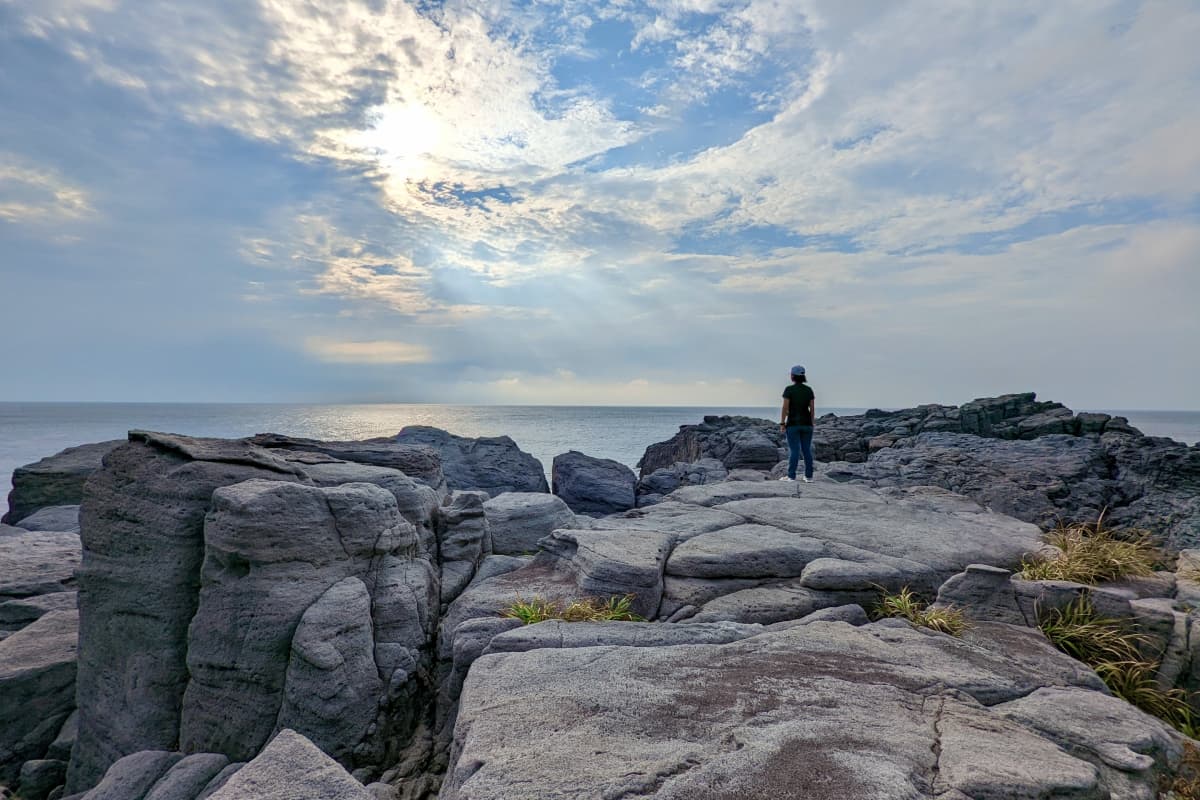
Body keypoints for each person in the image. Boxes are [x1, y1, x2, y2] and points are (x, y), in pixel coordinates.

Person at [779, 365, 815, 482]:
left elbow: (785, 407)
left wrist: (782, 423)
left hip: (793, 424)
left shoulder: (789, 389)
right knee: (806, 450)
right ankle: (809, 477)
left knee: (794, 450)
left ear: (793, 376)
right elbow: (812, 409)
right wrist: (812, 423)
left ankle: (791, 476)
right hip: (807, 425)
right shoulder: (808, 390)